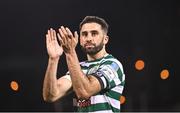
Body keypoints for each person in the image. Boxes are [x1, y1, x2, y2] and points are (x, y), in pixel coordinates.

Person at [43, 16, 125, 112]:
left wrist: (70, 53)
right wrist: (53, 59)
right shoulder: (78, 67)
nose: (88, 38)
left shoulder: (113, 65)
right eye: (84, 34)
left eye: (94, 33)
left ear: (105, 39)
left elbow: (85, 92)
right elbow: (51, 95)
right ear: (80, 39)